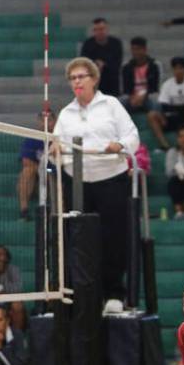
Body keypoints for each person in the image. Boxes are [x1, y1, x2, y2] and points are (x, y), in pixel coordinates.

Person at [52, 56, 139, 314]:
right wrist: (54, 147)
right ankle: (86, 294)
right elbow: (57, 144)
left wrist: (120, 146)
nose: (77, 81)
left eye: (82, 76)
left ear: (94, 79)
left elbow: (131, 136)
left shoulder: (111, 104)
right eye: (73, 78)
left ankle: (114, 293)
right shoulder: (66, 114)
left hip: (111, 178)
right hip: (77, 182)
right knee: (81, 239)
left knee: (113, 239)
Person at [148, 57, 184, 150]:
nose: (178, 71)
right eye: (176, 68)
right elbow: (164, 106)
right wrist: (182, 108)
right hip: (171, 118)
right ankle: (164, 145)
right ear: (173, 70)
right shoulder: (167, 85)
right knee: (151, 115)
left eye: (181, 68)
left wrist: (177, 108)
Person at [17, 112, 55, 220]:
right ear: (39, 122)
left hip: (51, 169)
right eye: (43, 120)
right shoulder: (32, 138)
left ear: (55, 122)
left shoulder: (58, 137)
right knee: (27, 172)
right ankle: (24, 210)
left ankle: (56, 212)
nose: (46, 124)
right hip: (37, 169)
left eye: (49, 120)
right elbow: (26, 161)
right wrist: (40, 169)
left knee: (53, 173)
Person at [80, 18, 123, 98]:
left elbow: (117, 64)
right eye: (96, 30)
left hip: (111, 85)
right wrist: (95, 64)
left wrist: (104, 64)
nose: (100, 32)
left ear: (107, 30)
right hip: (93, 85)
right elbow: (83, 63)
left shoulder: (116, 43)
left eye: (102, 29)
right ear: (93, 31)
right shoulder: (88, 44)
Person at [119, 37, 160, 114]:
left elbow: (156, 87)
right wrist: (132, 97)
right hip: (131, 97)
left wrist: (144, 96)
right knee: (119, 103)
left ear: (144, 49)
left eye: (138, 49)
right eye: (133, 49)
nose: (135, 52)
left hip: (149, 95)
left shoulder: (155, 65)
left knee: (156, 102)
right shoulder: (126, 66)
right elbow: (125, 89)